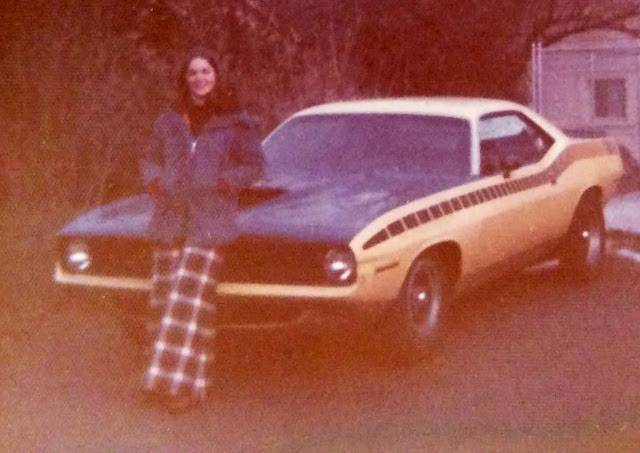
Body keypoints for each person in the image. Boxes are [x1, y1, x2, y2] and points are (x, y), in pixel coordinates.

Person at [138, 47, 264, 412]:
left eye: (206, 71)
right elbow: (148, 157)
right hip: (169, 217)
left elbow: (254, 164)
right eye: (193, 73)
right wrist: (154, 180)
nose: (200, 78)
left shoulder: (236, 122)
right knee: (168, 301)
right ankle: (191, 383)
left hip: (210, 221)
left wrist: (228, 181)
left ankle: (171, 385)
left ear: (217, 76)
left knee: (186, 302)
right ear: (185, 79)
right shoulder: (167, 120)